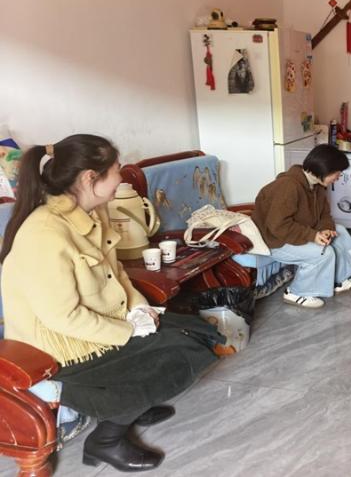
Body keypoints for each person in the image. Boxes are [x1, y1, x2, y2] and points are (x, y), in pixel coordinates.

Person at [0, 135, 222, 472]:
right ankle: (105, 441)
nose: (122, 175)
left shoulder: (90, 213)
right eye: (116, 169)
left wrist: (138, 308)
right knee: (177, 354)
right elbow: (63, 318)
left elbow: (115, 273)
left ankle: (137, 403)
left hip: (97, 323)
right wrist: (128, 330)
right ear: (90, 177)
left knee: (192, 330)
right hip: (60, 348)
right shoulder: (44, 234)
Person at [252, 144, 351, 309]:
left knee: (340, 232)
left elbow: (324, 214)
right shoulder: (287, 186)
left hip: (295, 232)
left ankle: (339, 280)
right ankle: (297, 292)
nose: (338, 178)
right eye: (337, 173)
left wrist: (326, 228)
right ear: (325, 169)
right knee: (323, 252)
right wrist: (312, 236)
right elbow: (278, 226)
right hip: (274, 241)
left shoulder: (317, 185)